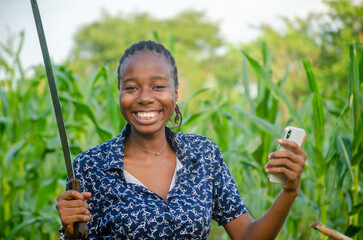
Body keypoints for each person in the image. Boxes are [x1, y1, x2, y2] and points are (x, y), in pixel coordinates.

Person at [56, 40, 307, 239]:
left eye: (158, 86)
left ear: (175, 93)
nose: (144, 98)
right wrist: (70, 234)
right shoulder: (91, 165)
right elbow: (78, 235)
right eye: (131, 87)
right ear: (119, 93)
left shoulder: (204, 154)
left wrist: (289, 190)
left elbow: (247, 236)